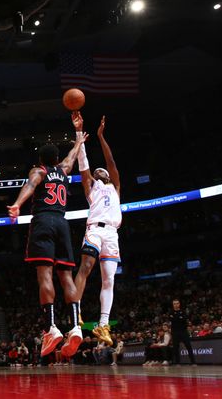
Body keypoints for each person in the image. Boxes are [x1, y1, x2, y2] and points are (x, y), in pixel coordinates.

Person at [7, 113, 87, 359]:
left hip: (43, 221)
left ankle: (51, 328)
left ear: (41, 159)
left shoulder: (38, 170)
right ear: (56, 159)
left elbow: (30, 185)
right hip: (62, 223)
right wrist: (78, 139)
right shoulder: (63, 170)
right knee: (67, 277)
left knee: (45, 275)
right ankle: (75, 326)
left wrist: (18, 204)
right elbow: (71, 158)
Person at [72, 114, 122, 346]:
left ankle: (103, 324)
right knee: (86, 267)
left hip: (112, 233)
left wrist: (101, 137)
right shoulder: (92, 186)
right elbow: (84, 166)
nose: (102, 170)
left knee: (109, 280)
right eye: (99, 170)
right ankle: (76, 313)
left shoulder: (116, 187)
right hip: (94, 229)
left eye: (105, 171)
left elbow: (110, 161)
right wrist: (79, 133)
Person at [170, 299, 197, 365]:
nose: (176, 305)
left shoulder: (183, 311)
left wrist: (177, 318)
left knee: (188, 346)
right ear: (173, 305)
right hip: (175, 332)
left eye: (177, 303)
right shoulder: (171, 313)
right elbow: (173, 320)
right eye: (174, 304)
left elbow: (184, 320)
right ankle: (177, 363)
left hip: (183, 331)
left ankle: (193, 362)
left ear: (179, 304)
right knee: (176, 348)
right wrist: (179, 318)